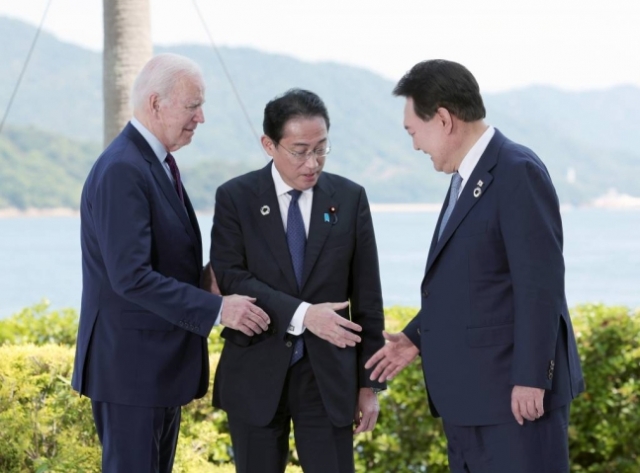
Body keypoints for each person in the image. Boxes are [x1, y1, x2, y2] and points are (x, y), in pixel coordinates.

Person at [365, 60, 585, 473]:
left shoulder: (517, 170)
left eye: (414, 131)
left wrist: (532, 378)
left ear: (444, 119)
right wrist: (416, 338)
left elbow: (540, 285)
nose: (415, 146)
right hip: (470, 402)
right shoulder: (463, 179)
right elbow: (473, 282)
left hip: (514, 403)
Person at [71, 53, 269, 473]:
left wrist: (212, 278)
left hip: (152, 369)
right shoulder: (123, 169)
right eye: (193, 105)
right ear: (156, 103)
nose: (201, 118)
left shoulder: (153, 163)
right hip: (132, 372)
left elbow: (159, 264)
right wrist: (219, 310)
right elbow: (132, 277)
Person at [209, 89, 386, 473]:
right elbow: (231, 276)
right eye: (300, 150)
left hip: (329, 379)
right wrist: (305, 315)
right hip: (255, 370)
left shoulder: (351, 198)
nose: (313, 162)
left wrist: (369, 385)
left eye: (321, 148)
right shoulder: (235, 198)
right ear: (269, 145)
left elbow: (367, 296)